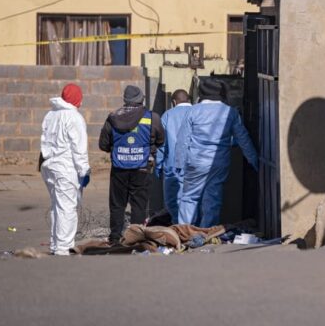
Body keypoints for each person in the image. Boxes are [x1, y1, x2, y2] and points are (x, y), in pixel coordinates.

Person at [175, 79, 258, 227]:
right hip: (219, 163)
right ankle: (206, 233)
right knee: (212, 198)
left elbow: (183, 141)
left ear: (202, 93)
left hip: (196, 162)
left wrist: (179, 164)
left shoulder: (192, 111)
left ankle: (184, 232)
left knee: (189, 197)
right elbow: (243, 138)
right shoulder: (230, 112)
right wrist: (254, 160)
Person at [99, 85, 165, 244]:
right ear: (141, 99)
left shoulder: (113, 117)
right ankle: (136, 238)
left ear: (125, 99)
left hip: (119, 169)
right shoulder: (152, 117)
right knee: (139, 206)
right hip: (142, 168)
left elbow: (103, 144)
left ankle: (115, 237)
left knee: (117, 205)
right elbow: (161, 140)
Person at [40, 83, 90, 256]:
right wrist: (84, 171)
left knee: (57, 206)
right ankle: (63, 248)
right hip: (65, 167)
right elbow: (79, 148)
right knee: (67, 208)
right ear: (77, 99)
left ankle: (55, 244)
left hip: (49, 165)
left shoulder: (50, 115)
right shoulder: (74, 118)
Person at [155, 89, 193, 223]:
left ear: (173, 102)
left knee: (173, 201)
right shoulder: (196, 112)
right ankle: (191, 227)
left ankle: (178, 226)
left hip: (172, 166)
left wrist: (158, 165)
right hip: (193, 165)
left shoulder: (168, 115)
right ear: (189, 99)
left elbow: (161, 145)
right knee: (192, 200)